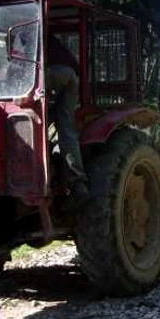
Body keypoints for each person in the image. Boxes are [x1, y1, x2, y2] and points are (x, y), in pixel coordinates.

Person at [46, 35, 90, 206]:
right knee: (65, 124)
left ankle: (48, 172)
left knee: (35, 120)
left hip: (55, 72)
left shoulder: (21, 29)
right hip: (69, 73)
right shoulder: (33, 22)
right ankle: (77, 182)